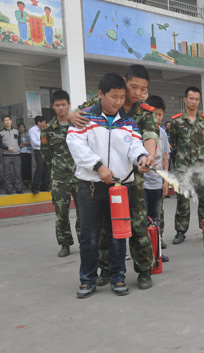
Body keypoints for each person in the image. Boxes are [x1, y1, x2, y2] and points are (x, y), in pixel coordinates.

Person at [70, 64, 157, 290]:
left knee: (131, 229)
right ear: (124, 82)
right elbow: (74, 133)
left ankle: (141, 270)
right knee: (93, 235)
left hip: (127, 183)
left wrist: (145, 158)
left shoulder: (133, 118)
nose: (136, 93)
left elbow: (142, 140)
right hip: (93, 184)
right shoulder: (91, 112)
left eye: (143, 89)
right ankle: (101, 272)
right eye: (133, 87)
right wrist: (69, 115)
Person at [41, 90, 80, 257]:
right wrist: (59, 166)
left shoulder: (78, 125)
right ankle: (65, 243)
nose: (61, 108)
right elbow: (46, 155)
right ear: (52, 106)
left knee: (84, 211)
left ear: (69, 105)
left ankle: (84, 240)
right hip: (59, 178)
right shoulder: (48, 130)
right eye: (57, 105)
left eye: (64, 104)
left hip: (79, 175)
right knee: (61, 212)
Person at [171, 86, 204, 245]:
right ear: (185, 99)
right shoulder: (176, 121)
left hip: (200, 167)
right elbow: (174, 143)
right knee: (183, 199)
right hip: (183, 167)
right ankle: (180, 231)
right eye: (191, 98)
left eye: (197, 99)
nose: (194, 102)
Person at [143, 95, 170, 261]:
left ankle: (157, 251)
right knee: (143, 219)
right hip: (142, 184)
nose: (158, 118)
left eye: (160, 115)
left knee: (156, 219)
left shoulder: (162, 133)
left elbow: (165, 158)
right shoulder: (141, 131)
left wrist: (165, 181)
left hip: (157, 183)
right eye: (154, 114)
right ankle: (145, 255)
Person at [0, 116, 22, 194]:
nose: (7, 122)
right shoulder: (1, 133)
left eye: (8, 120)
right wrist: (7, 148)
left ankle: (19, 189)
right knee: (6, 174)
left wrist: (19, 147)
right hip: (6, 156)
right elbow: (0, 144)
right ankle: (8, 189)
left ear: (11, 121)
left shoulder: (17, 131)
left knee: (18, 173)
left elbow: (19, 142)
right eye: (5, 120)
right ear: (3, 122)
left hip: (17, 155)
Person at [29, 115, 50, 194]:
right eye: (44, 122)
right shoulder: (32, 130)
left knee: (47, 169)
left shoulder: (45, 130)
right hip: (38, 151)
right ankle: (35, 188)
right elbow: (34, 142)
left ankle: (44, 186)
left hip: (46, 151)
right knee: (40, 168)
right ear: (39, 122)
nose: (45, 123)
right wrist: (45, 144)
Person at [17, 123, 32, 188]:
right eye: (20, 127)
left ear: (24, 128)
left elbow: (31, 142)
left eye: (22, 127)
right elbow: (18, 144)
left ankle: (29, 182)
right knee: (22, 168)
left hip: (28, 152)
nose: (21, 128)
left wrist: (23, 144)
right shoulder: (18, 136)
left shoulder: (28, 134)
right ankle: (23, 183)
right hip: (21, 153)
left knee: (29, 168)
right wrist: (26, 144)